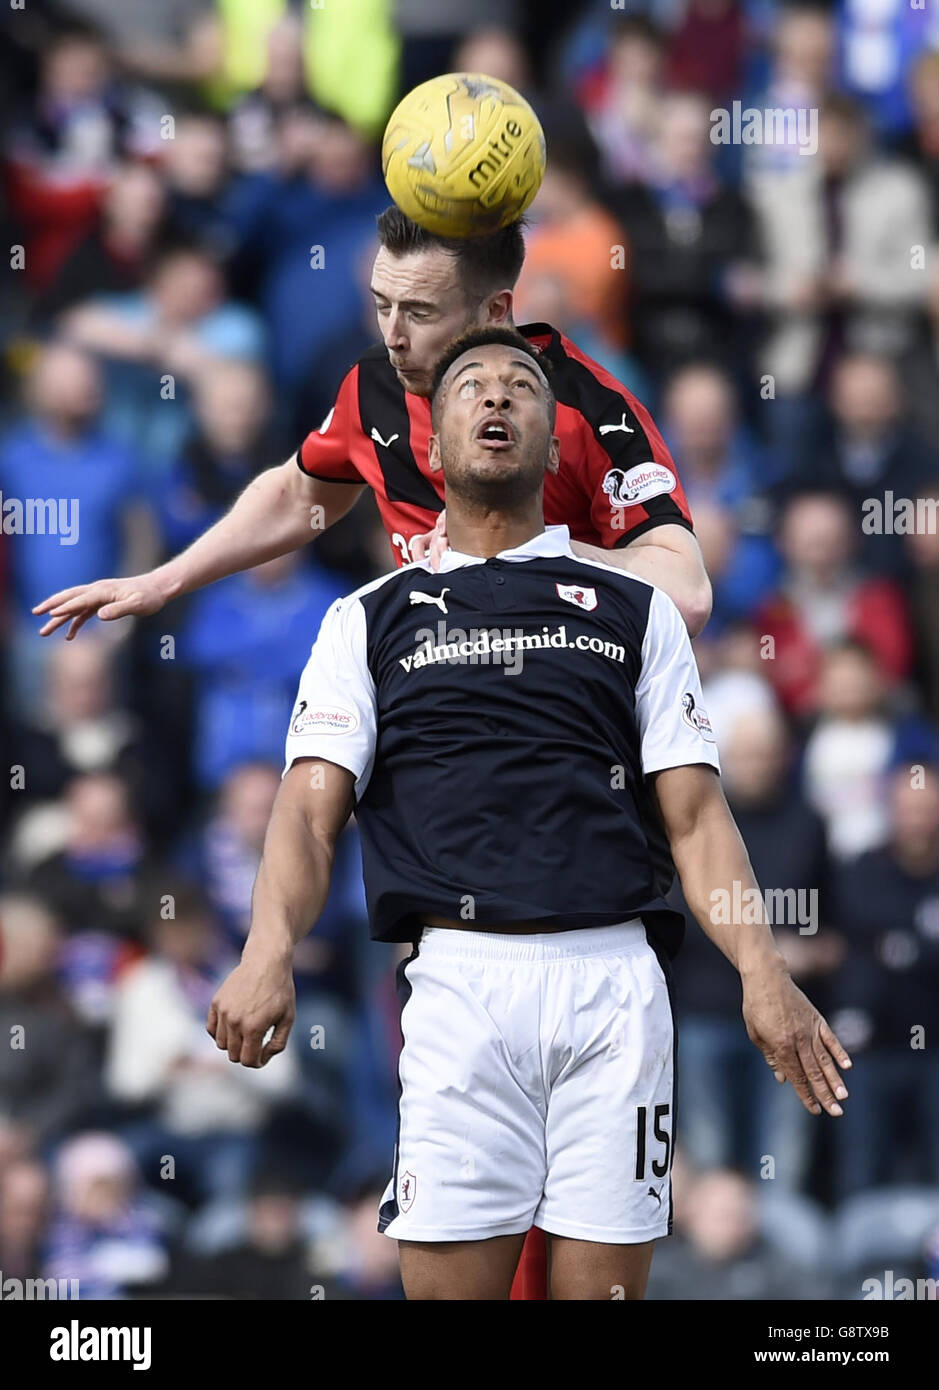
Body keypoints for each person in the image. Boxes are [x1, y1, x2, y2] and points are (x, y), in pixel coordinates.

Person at [207, 330, 850, 1300]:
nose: (496, 398)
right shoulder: (368, 617)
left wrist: (764, 972)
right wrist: (267, 950)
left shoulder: (638, 613)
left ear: (555, 447)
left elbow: (696, 816)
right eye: (471, 386)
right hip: (459, 985)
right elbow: (305, 814)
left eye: (522, 389)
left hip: (616, 986)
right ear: (433, 445)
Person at [34, 207, 712, 645]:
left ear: (495, 312)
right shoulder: (373, 389)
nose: (390, 335)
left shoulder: (593, 407)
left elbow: (686, 597)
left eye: (417, 312)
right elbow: (300, 497)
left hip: (576, 726)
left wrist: (534, 548)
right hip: (434, 715)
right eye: (380, 305)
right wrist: (163, 581)